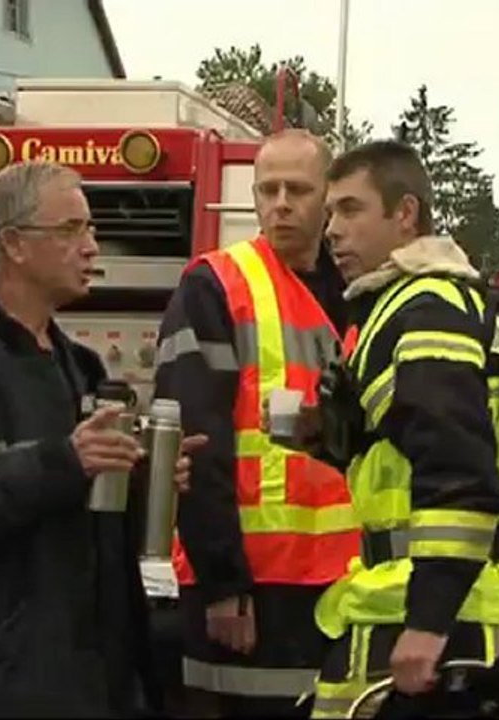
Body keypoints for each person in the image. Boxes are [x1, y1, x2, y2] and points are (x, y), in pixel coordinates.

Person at [0, 160, 205, 718]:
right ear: (14, 244)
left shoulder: (79, 366)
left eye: (91, 229)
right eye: (71, 229)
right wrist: (66, 460)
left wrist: (141, 477)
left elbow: (78, 517)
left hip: (79, 682)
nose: (92, 247)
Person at [294, 139, 499, 717]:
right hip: (446, 605)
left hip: (445, 618)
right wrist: (339, 438)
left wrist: (429, 620)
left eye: (351, 209)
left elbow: (457, 466)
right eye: (331, 212)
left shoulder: (428, 304)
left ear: (405, 214)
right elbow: (414, 450)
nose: (331, 230)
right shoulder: (412, 303)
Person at [153, 128, 360, 717]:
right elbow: (198, 444)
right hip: (253, 587)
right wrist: (223, 583)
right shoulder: (215, 284)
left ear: (329, 198)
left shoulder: (361, 291)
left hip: (345, 581)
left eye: (297, 189)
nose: (280, 204)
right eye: (267, 189)